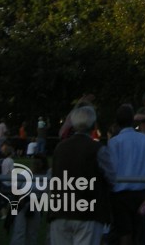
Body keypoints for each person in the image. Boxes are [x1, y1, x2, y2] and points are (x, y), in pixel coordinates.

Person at [48, 104, 111, 245]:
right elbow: (111, 177)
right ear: (93, 125)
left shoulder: (60, 148)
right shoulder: (97, 149)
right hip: (88, 211)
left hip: (61, 210)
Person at [105, 103, 145, 245]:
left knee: (125, 232)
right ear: (132, 120)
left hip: (120, 194)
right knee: (141, 232)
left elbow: (110, 169)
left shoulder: (114, 143)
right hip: (142, 193)